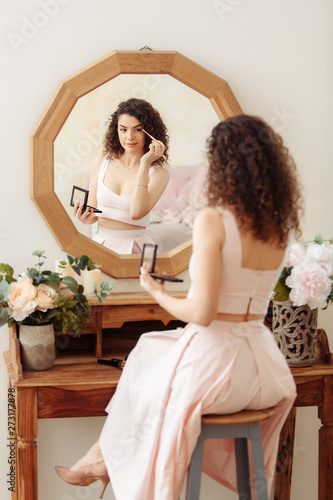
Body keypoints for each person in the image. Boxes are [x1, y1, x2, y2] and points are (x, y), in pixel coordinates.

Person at [56, 115, 303, 499]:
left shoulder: (213, 220)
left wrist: (156, 291)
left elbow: (202, 313)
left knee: (143, 361)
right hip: (265, 372)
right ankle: (100, 459)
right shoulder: (279, 227)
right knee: (152, 349)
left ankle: (105, 462)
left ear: (221, 165)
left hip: (218, 370)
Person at [74, 98, 170, 254]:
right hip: (101, 245)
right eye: (123, 129)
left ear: (150, 133)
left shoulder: (159, 174)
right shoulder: (101, 162)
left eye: (137, 129)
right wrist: (83, 217)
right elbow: (92, 215)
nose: (130, 137)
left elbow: (136, 213)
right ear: (116, 130)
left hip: (136, 249)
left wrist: (145, 164)